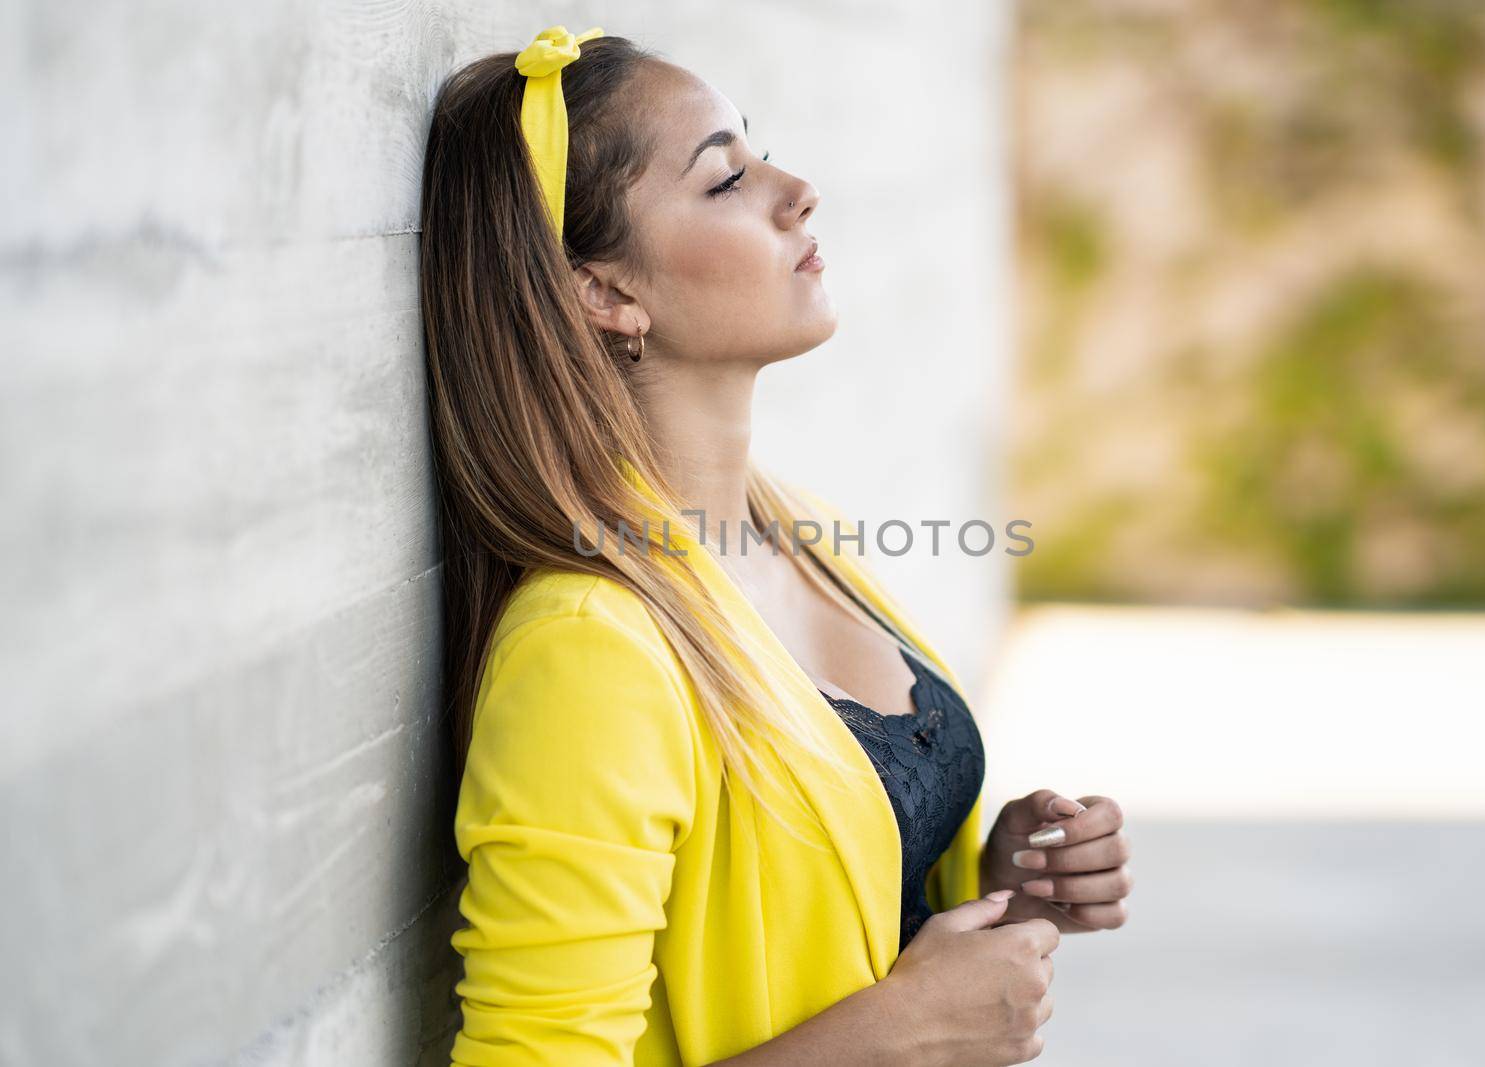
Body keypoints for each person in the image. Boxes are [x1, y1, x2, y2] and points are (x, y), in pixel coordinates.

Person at [419, 25, 1134, 1067]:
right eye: (725, 180)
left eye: (757, 153)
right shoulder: (589, 647)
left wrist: (992, 882)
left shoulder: (802, 532)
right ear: (605, 291)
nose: (795, 190)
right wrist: (904, 1028)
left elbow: (822, 916)